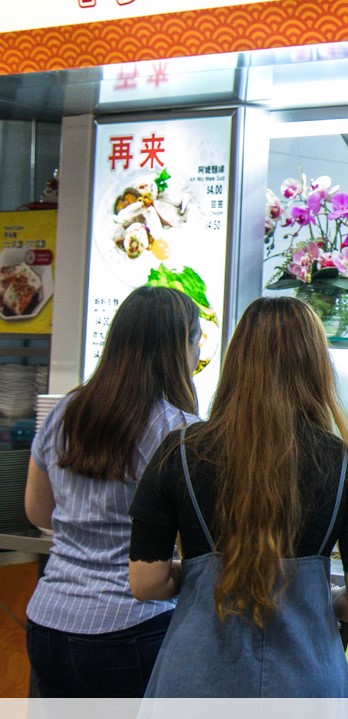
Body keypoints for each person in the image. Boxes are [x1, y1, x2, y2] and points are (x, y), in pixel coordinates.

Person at [128, 296, 348, 698]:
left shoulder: (179, 451)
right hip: (308, 682)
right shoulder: (346, 463)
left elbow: (146, 582)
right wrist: (324, 601)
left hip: (197, 681)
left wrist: (199, 575)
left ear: (236, 363)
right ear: (316, 365)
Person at [23, 286, 202, 697]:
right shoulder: (180, 430)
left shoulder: (66, 411)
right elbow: (200, 539)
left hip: (49, 617)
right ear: (181, 348)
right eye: (196, 344)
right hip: (132, 626)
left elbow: (37, 510)